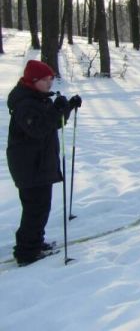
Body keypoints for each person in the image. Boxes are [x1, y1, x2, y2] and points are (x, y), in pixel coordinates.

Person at [6, 60, 82, 266]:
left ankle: (35, 243)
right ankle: (27, 252)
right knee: (35, 208)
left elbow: (54, 122)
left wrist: (68, 107)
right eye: (46, 80)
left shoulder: (38, 99)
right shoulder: (25, 104)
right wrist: (55, 111)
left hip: (38, 164)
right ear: (34, 80)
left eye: (51, 79)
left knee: (40, 207)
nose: (50, 83)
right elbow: (38, 129)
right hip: (30, 166)